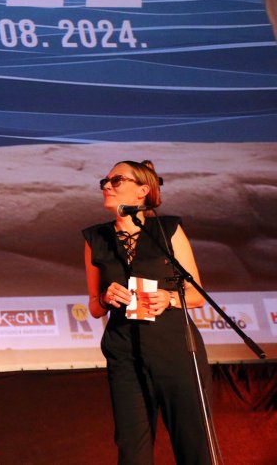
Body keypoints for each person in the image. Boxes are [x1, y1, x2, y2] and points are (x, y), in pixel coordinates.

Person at [83, 159, 212, 465]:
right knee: (132, 450)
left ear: (142, 191)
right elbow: (93, 306)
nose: (106, 186)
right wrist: (105, 298)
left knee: (193, 444)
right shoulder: (95, 238)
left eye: (116, 180)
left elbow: (197, 295)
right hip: (125, 354)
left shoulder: (167, 230)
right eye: (105, 181)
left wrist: (169, 297)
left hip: (175, 350)